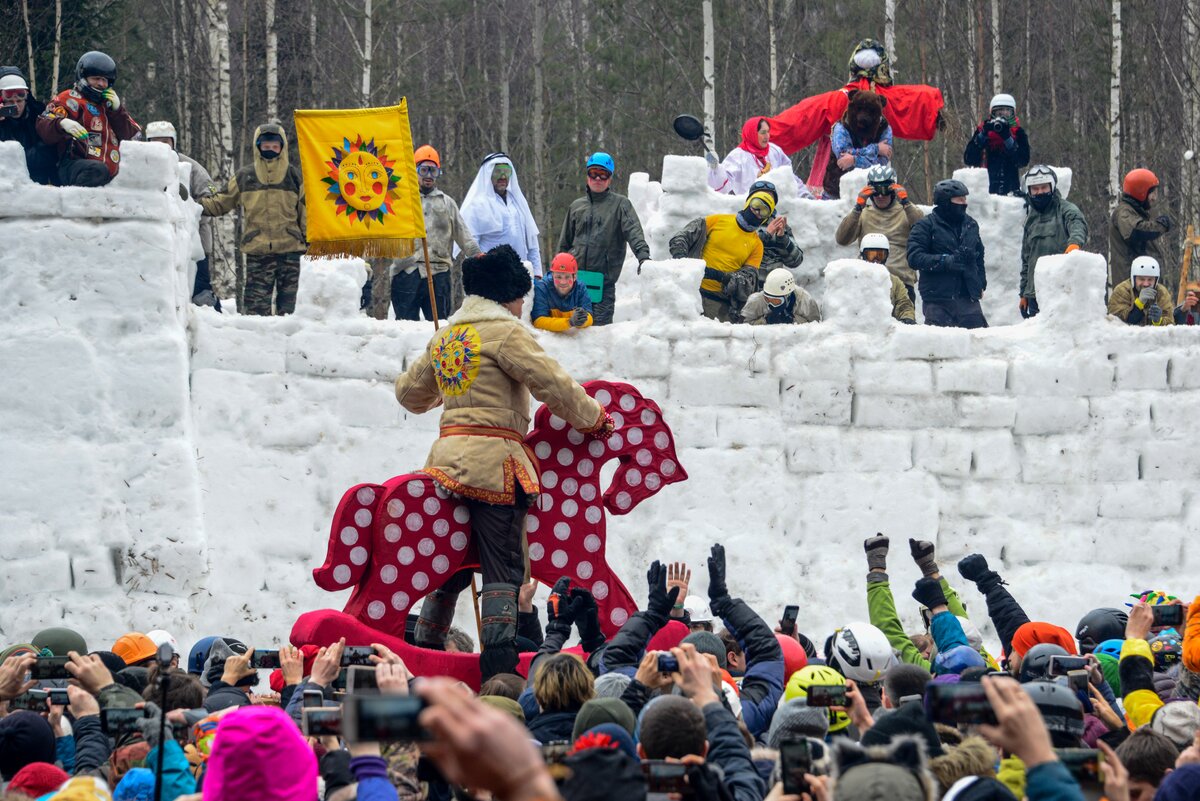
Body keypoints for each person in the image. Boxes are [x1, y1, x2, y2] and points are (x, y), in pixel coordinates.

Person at [393, 244, 611, 679]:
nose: (521, 304)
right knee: (503, 565)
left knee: (448, 566)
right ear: (506, 294)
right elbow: (554, 384)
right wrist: (595, 420)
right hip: (494, 465)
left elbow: (408, 395)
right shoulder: (507, 333)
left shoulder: (448, 336)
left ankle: (426, 651)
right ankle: (500, 664)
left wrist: (446, 390)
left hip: (444, 465)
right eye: (519, 296)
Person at [200, 123, 306, 316]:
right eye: (266, 146)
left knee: (293, 312)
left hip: (291, 251)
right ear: (258, 147)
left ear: (282, 147)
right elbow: (221, 202)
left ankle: (291, 345)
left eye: (275, 146)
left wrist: (309, 241)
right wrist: (194, 205)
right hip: (258, 251)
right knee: (256, 313)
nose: (270, 150)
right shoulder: (245, 176)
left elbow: (305, 211)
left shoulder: (294, 176)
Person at [558, 152, 651, 325]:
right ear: (587, 176)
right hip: (573, 282)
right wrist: (556, 272)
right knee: (569, 332)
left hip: (602, 284)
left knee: (599, 335)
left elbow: (634, 232)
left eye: (603, 174)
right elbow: (564, 243)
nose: (598, 178)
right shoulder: (576, 206)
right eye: (594, 173)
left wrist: (643, 256)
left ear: (610, 178)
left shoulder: (620, 205)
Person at [390, 144, 481, 320]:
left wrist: (478, 255)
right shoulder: (400, 200)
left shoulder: (447, 203)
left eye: (433, 171)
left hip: (438, 272)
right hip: (406, 271)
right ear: (414, 171)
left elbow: (463, 235)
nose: (429, 176)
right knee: (405, 326)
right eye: (424, 170)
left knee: (439, 325)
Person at [145, 120, 223, 310]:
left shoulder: (190, 166)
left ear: (174, 142)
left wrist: (192, 211)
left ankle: (212, 321)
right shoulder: (144, 167)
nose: (161, 147)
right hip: (157, 240)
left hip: (195, 240)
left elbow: (212, 194)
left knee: (199, 289)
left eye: (166, 142)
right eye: (155, 142)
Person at [36, 51, 141, 188]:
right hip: (75, 165)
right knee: (98, 170)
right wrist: (61, 123)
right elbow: (43, 124)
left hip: (109, 173)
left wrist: (117, 111)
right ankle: (77, 202)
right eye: (96, 78)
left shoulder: (109, 105)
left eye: (105, 80)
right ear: (83, 77)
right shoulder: (69, 99)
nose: (101, 84)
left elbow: (134, 137)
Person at [668, 190, 774, 322]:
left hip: (719, 302)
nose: (757, 212)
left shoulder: (757, 245)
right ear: (748, 203)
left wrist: (721, 276)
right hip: (692, 290)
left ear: (766, 217)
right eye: (756, 204)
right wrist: (682, 259)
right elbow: (682, 237)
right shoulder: (717, 220)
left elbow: (747, 279)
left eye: (764, 211)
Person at [835, 165, 925, 300]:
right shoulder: (864, 213)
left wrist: (906, 202)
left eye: (886, 190)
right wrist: (858, 207)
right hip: (869, 281)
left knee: (905, 319)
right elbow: (842, 239)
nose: (881, 195)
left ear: (894, 190)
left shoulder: (906, 211)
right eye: (876, 191)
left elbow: (923, 231)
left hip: (901, 282)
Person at [907, 179, 987, 328]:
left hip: (967, 297)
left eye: (965, 199)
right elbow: (914, 257)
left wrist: (980, 282)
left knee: (978, 343)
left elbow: (979, 255)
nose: (964, 203)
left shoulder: (971, 224)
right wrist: (945, 261)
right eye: (959, 199)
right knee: (941, 346)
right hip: (937, 299)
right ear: (945, 202)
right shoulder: (925, 225)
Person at [1019, 165, 1088, 318]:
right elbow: (1026, 259)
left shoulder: (1066, 209)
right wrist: (1024, 292)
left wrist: (1074, 243)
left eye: (1044, 187)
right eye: (1035, 189)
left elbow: (1077, 224)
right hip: (1035, 292)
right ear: (1029, 191)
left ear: (1052, 186)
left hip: (1060, 288)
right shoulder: (1030, 219)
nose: (1040, 192)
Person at [460, 152, 542, 276]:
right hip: (491, 276)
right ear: (488, 174)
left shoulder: (518, 203)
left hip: (520, 274)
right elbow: (471, 245)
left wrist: (537, 272)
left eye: (506, 171)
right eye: (497, 172)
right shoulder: (477, 205)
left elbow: (531, 240)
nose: (503, 177)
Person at [707, 116, 814, 198]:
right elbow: (723, 185)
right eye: (763, 132)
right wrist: (715, 168)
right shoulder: (738, 156)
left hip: (778, 207)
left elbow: (789, 176)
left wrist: (804, 194)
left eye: (768, 132)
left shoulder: (774, 150)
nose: (767, 136)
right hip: (750, 209)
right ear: (752, 133)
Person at [1109, 168, 1174, 290]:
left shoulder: (1136, 212)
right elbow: (1136, 231)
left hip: (1141, 281)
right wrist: (1159, 226)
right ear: (1141, 192)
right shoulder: (1124, 211)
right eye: (1152, 193)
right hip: (1130, 285)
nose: (1154, 198)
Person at [963, 93, 1030, 195]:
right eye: (999, 113)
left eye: (1007, 112)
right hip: (985, 191)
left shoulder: (1018, 133)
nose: (1003, 116)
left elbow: (1023, 160)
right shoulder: (983, 130)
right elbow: (969, 159)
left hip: (1010, 190)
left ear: (1013, 113)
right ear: (992, 113)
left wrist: (1008, 139)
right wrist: (983, 135)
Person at [0, 67, 55, 185]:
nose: (16, 106)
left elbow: (49, 152)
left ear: (26, 98)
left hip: (38, 181)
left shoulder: (39, 114)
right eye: (10, 102)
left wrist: (15, 158)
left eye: (19, 101)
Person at [859, 233, 917, 323]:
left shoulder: (894, 281)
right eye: (871, 255)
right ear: (863, 255)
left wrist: (907, 317)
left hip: (885, 329)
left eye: (880, 256)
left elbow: (904, 304)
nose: (876, 260)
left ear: (886, 256)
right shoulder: (854, 279)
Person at [531, 252, 592, 332]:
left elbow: (590, 317)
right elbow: (538, 321)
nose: (563, 282)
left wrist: (582, 320)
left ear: (574, 277)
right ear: (552, 275)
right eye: (558, 277)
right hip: (549, 338)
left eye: (567, 277)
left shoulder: (580, 288)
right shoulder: (542, 288)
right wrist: (569, 322)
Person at [1107, 256, 1174, 326]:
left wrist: (1158, 321)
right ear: (1134, 278)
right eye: (1141, 279)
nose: (1146, 284)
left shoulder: (1161, 292)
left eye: (1150, 279)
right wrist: (1139, 303)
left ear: (1156, 280)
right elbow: (1115, 320)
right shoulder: (1122, 290)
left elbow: (1171, 324)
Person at [740, 267, 821, 325]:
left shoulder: (805, 301)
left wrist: (793, 320)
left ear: (788, 296)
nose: (770, 304)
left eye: (776, 301)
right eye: (767, 299)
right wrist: (764, 321)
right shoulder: (756, 301)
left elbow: (815, 327)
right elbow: (742, 328)